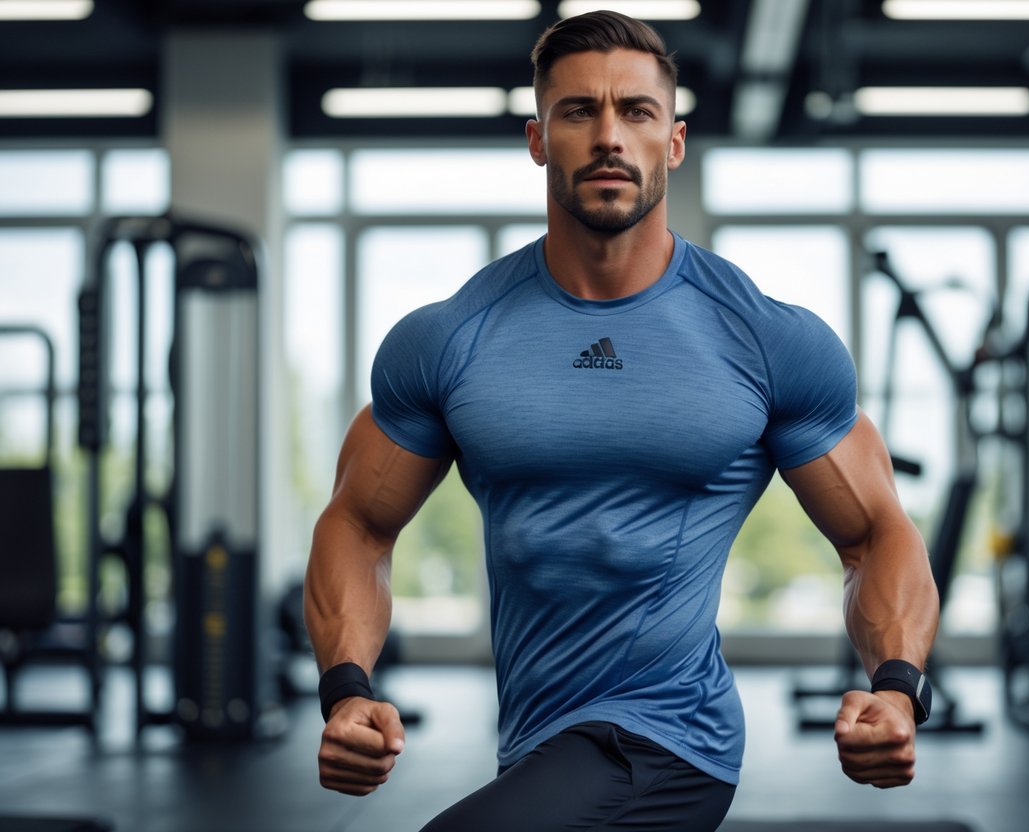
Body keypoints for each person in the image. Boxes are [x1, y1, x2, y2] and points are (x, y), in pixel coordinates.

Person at [303, 9, 939, 831]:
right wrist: (347, 689)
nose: (609, 136)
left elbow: (875, 530)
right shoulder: (449, 338)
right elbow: (357, 523)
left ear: (672, 142)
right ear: (538, 139)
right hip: (537, 738)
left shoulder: (765, 338)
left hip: (670, 740)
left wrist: (895, 687)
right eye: (579, 111)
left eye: (636, 112)